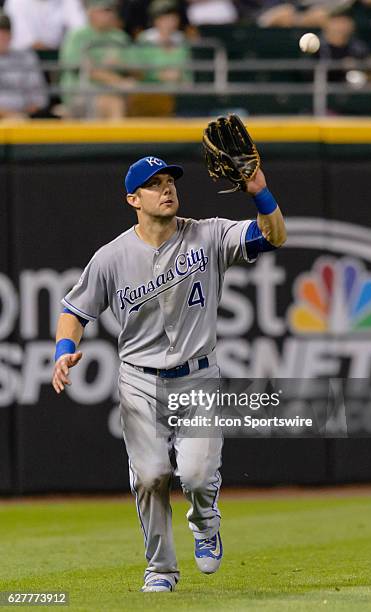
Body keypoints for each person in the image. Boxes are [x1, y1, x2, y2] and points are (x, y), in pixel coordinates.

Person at [52, 152, 286, 592]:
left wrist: (260, 193)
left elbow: (274, 237)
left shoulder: (209, 234)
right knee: (150, 476)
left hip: (198, 377)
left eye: (169, 181)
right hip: (140, 379)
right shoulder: (112, 257)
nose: (166, 189)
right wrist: (64, 351)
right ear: (132, 198)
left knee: (196, 476)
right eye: (154, 184)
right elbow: (73, 311)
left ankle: (205, 522)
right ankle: (160, 570)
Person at [59, 0, 136, 118]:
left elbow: (137, 68)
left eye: (112, 10)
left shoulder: (119, 36)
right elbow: (84, 69)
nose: (110, 15)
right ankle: (116, 137)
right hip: (81, 92)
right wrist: (116, 80)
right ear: (91, 12)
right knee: (112, 103)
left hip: (116, 92)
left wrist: (122, 63)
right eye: (104, 11)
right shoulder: (77, 36)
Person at [0, 12, 49, 118]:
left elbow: (39, 97)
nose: (2, 37)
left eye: (5, 32)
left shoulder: (26, 57)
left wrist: (23, 114)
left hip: (26, 118)